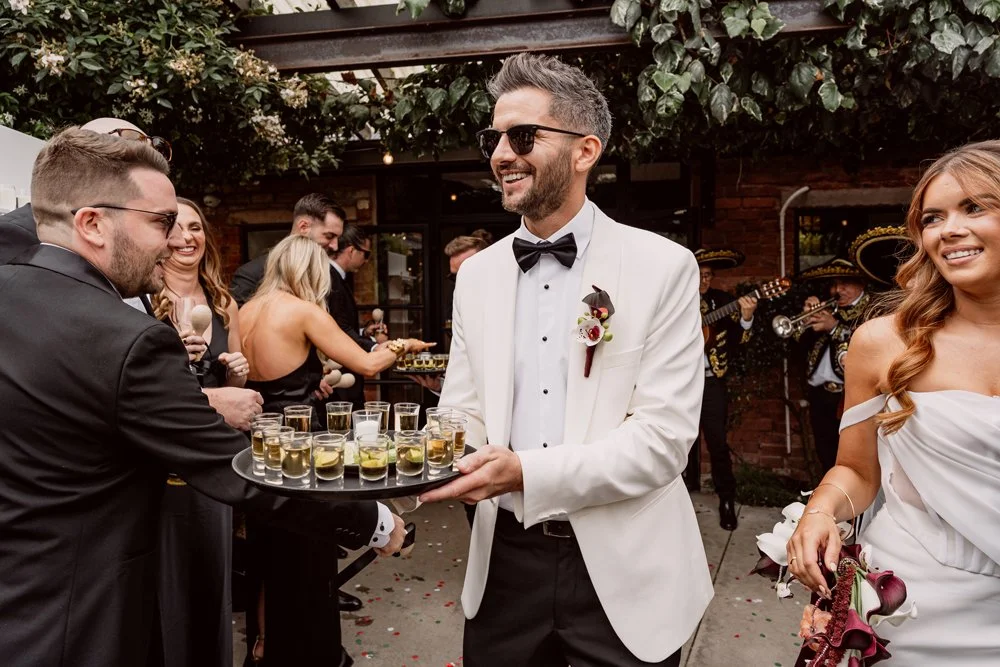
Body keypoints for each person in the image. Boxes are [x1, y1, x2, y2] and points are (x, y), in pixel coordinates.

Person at [0, 127, 406, 667]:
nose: (172, 240)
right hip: (82, 620)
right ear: (92, 224)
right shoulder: (129, 338)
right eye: (160, 222)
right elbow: (236, 471)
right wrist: (373, 520)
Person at [419, 53, 711, 666]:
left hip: (625, 566)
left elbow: (663, 442)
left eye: (522, 136)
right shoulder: (477, 277)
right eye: (493, 137)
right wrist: (411, 461)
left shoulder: (664, 267)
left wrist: (524, 471)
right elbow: (462, 412)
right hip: (502, 564)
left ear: (585, 151)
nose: (500, 154)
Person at [787, 140, 1000, 664]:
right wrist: (818, 513)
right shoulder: (884, 342)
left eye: (974, 207)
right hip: (911, 606)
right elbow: (857, 470)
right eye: (933, 217)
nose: (948, 229)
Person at [238, 234, 433, 666]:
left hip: (261, 450)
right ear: (311, 271)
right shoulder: (301, 310)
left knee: (269, 559)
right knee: (309, 562)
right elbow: (366, 364)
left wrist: (312, 380)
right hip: (304, 453)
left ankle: (267, 647)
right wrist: (404, 345)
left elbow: (256, 382)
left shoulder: (246, 311)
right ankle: (314, 654)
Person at [0, 117, 264, 432]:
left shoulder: (127, 258)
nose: (176, 240)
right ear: (85, 153)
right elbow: (46, 369)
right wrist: (204, 402)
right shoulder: (15, 234)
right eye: (125, 152)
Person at [151, 197, 249, 667]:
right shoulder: (143, 299)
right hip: (162, 466)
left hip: (214, 460)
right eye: (174, 226)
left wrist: (237, 374)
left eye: (194, 227)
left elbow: (232, 394)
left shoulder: (223, 302)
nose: (186, 238)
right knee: (167, 587)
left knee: (213, 579)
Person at [686, 248, 758, 531]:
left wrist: (747, 318)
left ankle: (726, 501)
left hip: (711, 382)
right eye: (699, 275)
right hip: (680, 384)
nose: (704, 281)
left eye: (708, 276)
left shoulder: (724, 301)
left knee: (717, 443)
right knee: (678, 441)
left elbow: (742, 341)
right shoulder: (675, 302)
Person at [794, 258, 869, 472]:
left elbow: (863, 345)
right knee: (825, 451)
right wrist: (804, 318)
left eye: (845, 283)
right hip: (820, 393)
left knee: (851, 456)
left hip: (850, 395)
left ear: (861, 284)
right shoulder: (830, 307)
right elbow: (797, 343)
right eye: (835, 284)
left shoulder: (871, 308)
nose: (838, 290)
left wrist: (834, 327)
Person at [229, 192, 343, 307]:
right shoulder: (251, 274)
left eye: (338, 238)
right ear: (303, 227)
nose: (335, 246)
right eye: (329, 236)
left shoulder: (329, 274)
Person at [328, 223, 384, 408]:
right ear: (351, 251)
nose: (366, 260)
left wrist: (364, 332)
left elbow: (341, 323)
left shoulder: (337, 277)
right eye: (365, 254)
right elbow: (338, 329)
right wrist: (375, 347)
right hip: (340, 378)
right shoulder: (330, 278)